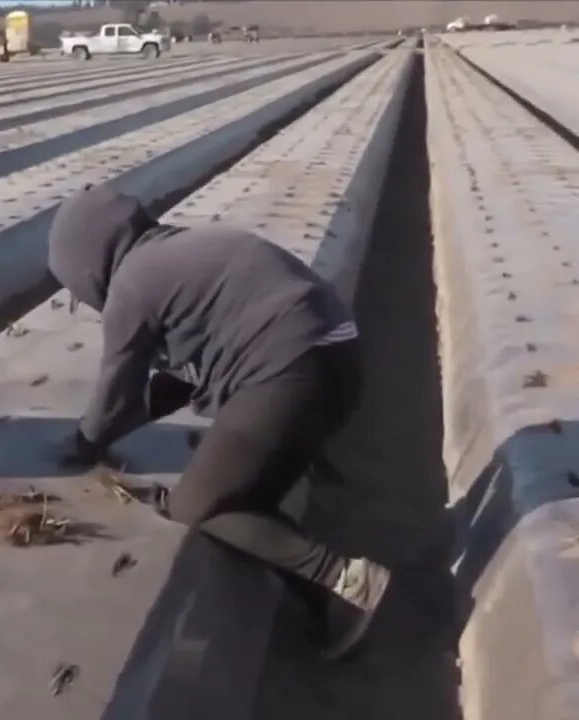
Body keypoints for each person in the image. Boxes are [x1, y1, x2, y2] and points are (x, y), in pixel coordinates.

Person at [46, 182, 390, 660]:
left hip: (289, 371)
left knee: (196, 506)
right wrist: (123, 422)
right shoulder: (176, 254)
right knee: (244, 499)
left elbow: (114, 382)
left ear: (85, 264)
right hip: (335, 358)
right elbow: (184, 379)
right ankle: (328, 607)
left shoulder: (132, 282)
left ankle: (349, 582)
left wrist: (86, 442)